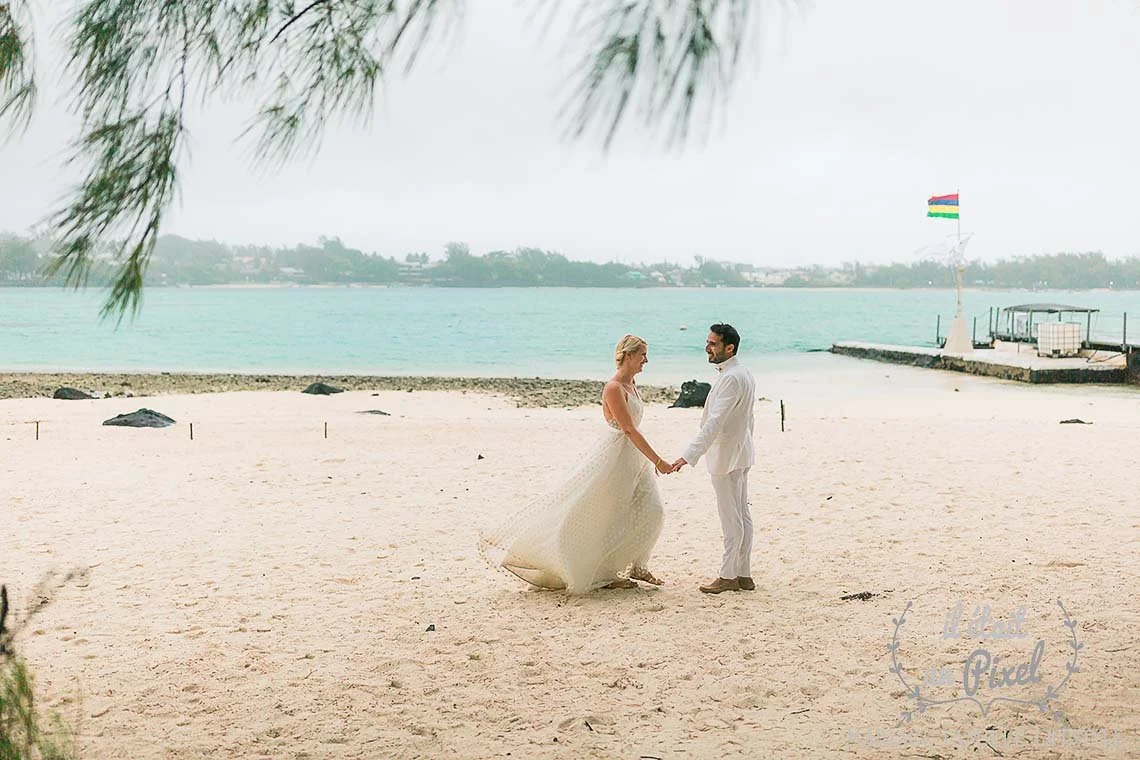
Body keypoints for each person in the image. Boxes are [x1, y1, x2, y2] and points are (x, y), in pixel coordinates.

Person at [480, 335, 670, 593]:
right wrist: (657, 459)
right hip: (616, 458)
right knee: (609, 515)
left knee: (653, 510)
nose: (646, 360)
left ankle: (637, 564)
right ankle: (611, 572)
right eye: (642, 355)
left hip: (634, 459)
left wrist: (647, 461)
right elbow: (628, 429)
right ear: (628, 355)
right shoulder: (613, 388)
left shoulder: (633, 384)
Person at [671, 324, 757, 594]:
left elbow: (715, 423)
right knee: (742, 514)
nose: (707, 348)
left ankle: (728, 576)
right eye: (707, 343)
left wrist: (688, 455)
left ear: (729, 347)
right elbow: (747, 419)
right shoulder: (743, 373)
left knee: (731, 518)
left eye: (712, 344)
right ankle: (744, 574)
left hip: (726, 455)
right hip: (741, 452)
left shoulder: (732, 378)